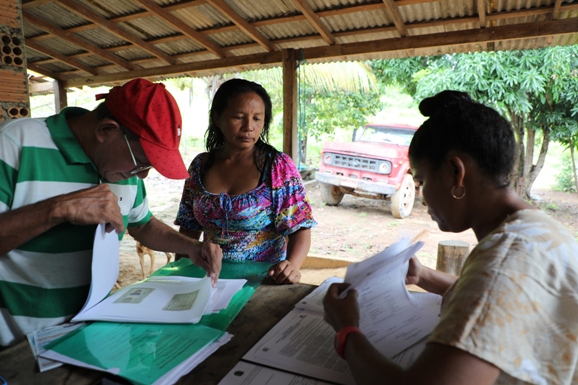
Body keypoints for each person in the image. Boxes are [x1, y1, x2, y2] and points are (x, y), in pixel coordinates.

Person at [323, 90, 578, 385]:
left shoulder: (504, 260)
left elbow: (492, 285)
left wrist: (347, 331)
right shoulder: (536, 229)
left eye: (421, 181)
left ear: (456, 172)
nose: (421, 197)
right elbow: (491, 301)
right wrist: (424, 277)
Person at [0, 78, 222, 347]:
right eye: (141, 163)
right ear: (106, 130)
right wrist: (57, 209)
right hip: (18, 347)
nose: (143, 175)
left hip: (94, 334)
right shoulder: (14, 143)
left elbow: (143, 224)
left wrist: (191, 247)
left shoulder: (122, 170)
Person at [175, 78, 316, 284]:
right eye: (238, 117)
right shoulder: (200, 166)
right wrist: (181, 274)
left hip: (262, 282)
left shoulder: (277, 167)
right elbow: (189, 229)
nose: (248, 127)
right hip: (207, 280)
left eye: (257, 119)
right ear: (217, 117)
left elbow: (300, 227)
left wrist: (292, 266)